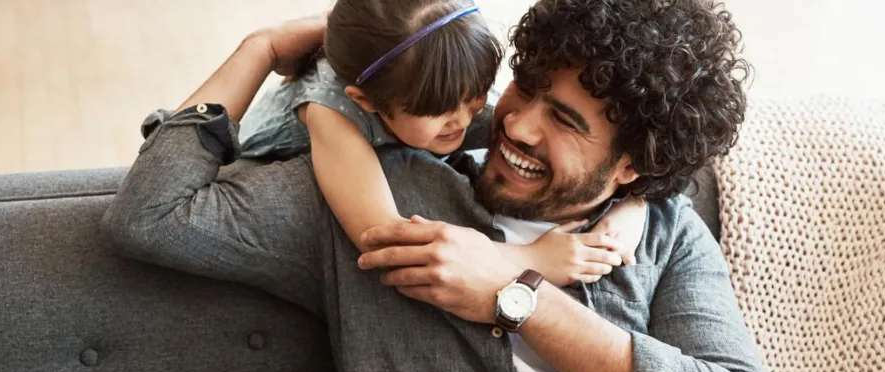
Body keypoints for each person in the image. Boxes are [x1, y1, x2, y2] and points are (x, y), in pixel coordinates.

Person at [102, 1, 777, 372]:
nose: (518, 126)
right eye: (527, 87)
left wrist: (519, 298)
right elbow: (152, 215)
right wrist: (261, 49)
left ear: (633, 165)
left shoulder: (661, 232)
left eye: (564, 120)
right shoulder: (372, 198)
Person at [240, 0, 648, 287]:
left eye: (476, 95)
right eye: (440, 112)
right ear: (366, 102)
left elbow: (635, 158)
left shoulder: (442, 83)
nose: (465, 119)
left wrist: (633, 204)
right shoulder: (332, 116)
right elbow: (387, 238)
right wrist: (530, 259)